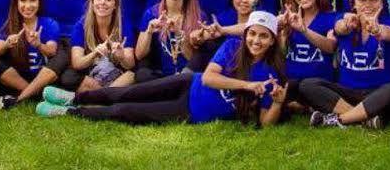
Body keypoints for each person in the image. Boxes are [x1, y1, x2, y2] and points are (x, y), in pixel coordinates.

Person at [34, 11, 288, 128]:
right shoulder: (233, 45)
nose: (256, 40)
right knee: (125, 93)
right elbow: (210, 78)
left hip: (190, 111)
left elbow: (266, 124)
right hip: (188, 84)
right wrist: (246, 86)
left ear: (273, 40)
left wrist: (277, 103)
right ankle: (74, 98)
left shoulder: (270, 75)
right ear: (245, 34)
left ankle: (68, 113)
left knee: (126, 111)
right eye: (252, 34)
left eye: (263, 36)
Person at [301, 0, 390, 129]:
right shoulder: (347, 21)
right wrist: (345, 26)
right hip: (346, 93)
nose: (368, 4)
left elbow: (389, 33)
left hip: (376, 92)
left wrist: (378, 30)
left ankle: (338, 119)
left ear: (382, 2)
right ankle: (362, 118)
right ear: (353, 3)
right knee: (308, 85)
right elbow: (339, 27)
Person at [0, 0, 62, 110]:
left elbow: (51, 52)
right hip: (19, 78)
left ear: (39, 2)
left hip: (41, 76)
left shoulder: (49, 23)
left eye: (33, 0)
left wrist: (39, 44)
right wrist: (7, 44)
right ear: (16, 3)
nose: (28, 6)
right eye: (23, 0)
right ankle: (34, 93)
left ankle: (24, 95)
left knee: (62, 57)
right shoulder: (9, 24)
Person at [134, 0, 207, 81]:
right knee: (142, 75)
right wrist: (148, 32)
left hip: (184, 77)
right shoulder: (151, 13)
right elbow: (139, 55)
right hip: (159, 76)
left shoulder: (199, 17)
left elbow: (194, 59)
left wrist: (178, 34)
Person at [62, 0, 137, 92]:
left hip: (118, 74)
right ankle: (108, 96)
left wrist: (122, 57)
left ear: (115, 5)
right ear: (92, 2)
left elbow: (130, 64)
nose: (102, 2)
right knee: (68, 77)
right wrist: (95, 53)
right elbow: (77, 63)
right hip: (92, 74)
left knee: (134, 75)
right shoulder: (81, 25)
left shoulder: (124, 23)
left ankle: (98, 96)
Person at [278, 0, 336, 103]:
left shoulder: (330, 17)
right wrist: (282, 32)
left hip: (317, 81)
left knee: (307, 88)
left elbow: (331, 46)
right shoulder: (288, 17)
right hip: (292, 79)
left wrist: (304, 30)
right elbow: (280, 53)